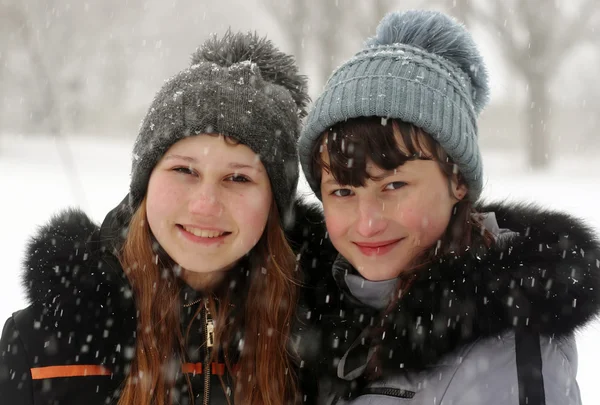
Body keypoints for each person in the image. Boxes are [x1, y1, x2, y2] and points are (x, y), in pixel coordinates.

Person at [296, 10, 600, 405]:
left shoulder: (504, 351)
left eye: (394, 185)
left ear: (457, 182)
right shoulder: (311, 313)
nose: (367, 223)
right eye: (343, 192)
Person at [0, 30, 313, 405]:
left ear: (274, 206)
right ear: (145, 185)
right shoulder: (41, 346)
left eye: (239, 178)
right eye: (185, 170)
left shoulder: (322, 342)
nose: (205, 204)